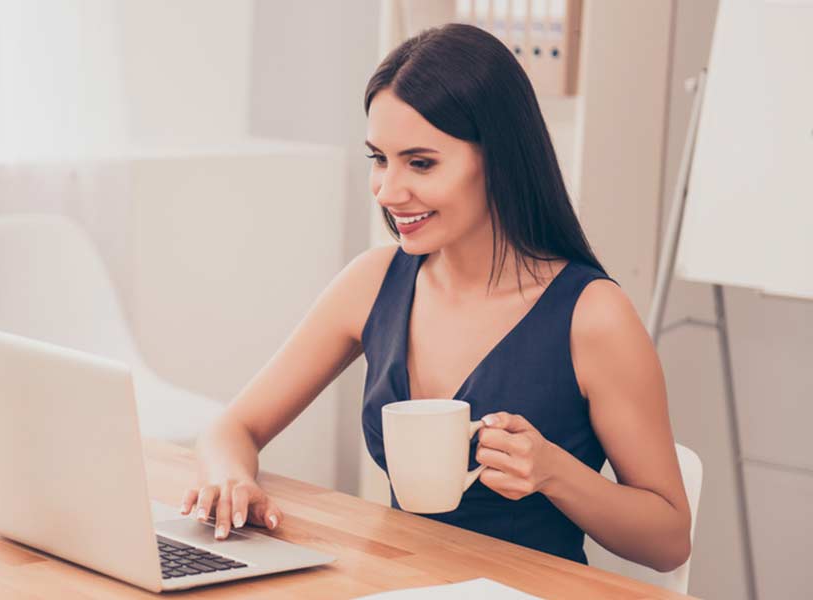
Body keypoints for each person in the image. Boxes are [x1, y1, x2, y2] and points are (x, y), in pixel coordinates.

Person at [179, 23, 692, 571]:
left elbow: (668, 541)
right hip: (403, 581)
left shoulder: (592, 316)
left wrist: (555, 473)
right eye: (380, 158)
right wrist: (229, 479)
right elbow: (232, 427)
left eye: (420, 163)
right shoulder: (373, 282)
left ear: (498, 159)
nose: (388, 190)